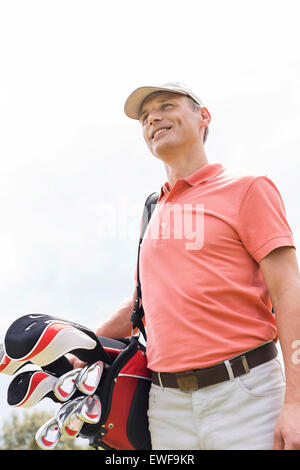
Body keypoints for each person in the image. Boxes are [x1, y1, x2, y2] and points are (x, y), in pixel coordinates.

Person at [70, 82, 300, 450]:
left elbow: (289, 294)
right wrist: (79, 344)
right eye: (145, 117)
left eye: (165, 106)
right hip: (166, 407)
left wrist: (296, 402)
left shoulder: (248, 188)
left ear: (203, 117)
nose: (153, 118)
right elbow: (142, 306)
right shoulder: (152, 209)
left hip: (249, 395)